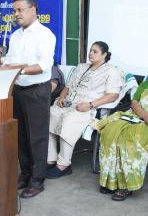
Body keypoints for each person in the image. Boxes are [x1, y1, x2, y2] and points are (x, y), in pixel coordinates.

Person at [0, 0, 56, 198]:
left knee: (37, 137)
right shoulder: (16, 35)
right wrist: (1, 62)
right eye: (14, 10)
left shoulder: (46, 35)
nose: (16, 14)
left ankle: (37, 180)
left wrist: (19, 70)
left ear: (33, 10)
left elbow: (44, 65)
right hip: (17, 90)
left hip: (37, 91)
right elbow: (11, 59)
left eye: (20, 10)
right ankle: (26, 174)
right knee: (20, 135)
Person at [47, 41, 123, 179]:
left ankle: (64, 165)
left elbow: (113, 96)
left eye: (95, 52)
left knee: (68, 120)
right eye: (90, 50)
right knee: (50, 113)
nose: (90, 54)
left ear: (104, 54)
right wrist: (62, 98)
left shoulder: (112, 71)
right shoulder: (82, 67)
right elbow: (68, 87)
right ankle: (50, 159)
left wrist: (90, 104)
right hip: (70, 103)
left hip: (90, 108)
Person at [97, 80, 148, 201]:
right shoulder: (146, 82)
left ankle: (126, 185)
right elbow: (134, 102)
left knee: (129, 140)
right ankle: (111, 181)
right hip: (136, 116)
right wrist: (144, 115)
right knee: (109, 133)